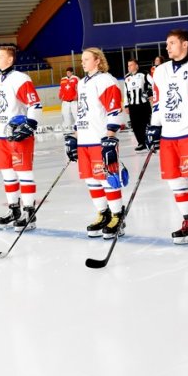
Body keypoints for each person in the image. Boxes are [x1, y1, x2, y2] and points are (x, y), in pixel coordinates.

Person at [64, 47, 124, 239]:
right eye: (82, 59)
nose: (82, 62)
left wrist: (110, 136)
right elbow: (82, 112)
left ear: (97, 60)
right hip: (85, 140)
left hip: (100, 139)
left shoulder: (106, 80)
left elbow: (115, 109)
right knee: (91, 179)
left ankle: (117, 215)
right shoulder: (81, 83)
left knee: (106, 179)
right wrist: (74, 135)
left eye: (86, 59)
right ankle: (103, 213)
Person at [146, 29, 188, 244]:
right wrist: (154, 126)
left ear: (184, 44)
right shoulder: (161, 70)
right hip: (168, 136)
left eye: (172, 43)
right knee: (175, 181)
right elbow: (157, 102)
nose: (167, 47)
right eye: (167, 43)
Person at [0, 45, 43, 231]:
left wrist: (30, 125)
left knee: (24, 172)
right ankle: (14, 210)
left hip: (18, 135)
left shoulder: (20, 79)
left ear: (10, 60)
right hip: (2, 136)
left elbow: (35, 104)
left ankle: (29, 212)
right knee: (7, 174)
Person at [124, 58, 152, 152]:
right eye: (128, 65)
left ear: (136, 65)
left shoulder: (144, 74)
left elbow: (153, 84)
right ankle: (141, 143)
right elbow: (125, 93)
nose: (129, 67)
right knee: (135, 126)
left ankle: (149, 141)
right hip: (132, 106)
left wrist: (150, 94)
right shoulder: (127, 77)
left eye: (131, 65)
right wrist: (126, 105)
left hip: (143, 104)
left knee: (146, 124)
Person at [58, 67, 79, 131]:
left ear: (72, 72)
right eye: (67, 72)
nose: (68, 73)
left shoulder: (76, 78)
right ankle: (67, 126)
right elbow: (61, 89)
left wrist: (77, 95)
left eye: (69, 72)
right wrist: (60, 95)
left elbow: (79, 88)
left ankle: (78, 125)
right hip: (65, 101)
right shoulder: (63, 79)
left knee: (76, 114)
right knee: (65, 114)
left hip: (74, 101)